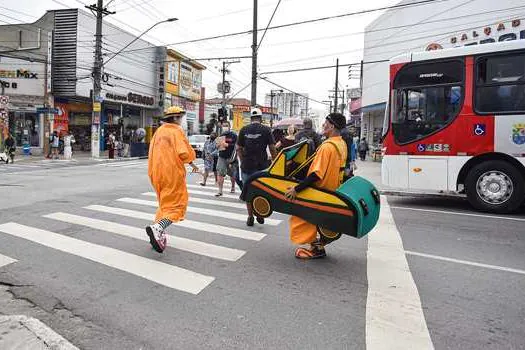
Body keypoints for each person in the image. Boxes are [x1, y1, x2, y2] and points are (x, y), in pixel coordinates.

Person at [284, 113, 348, 259]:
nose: (323, 125)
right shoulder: (341, 143)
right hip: (333, 190)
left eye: (325, 123)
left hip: (320, 190)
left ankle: (316, 248)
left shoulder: (327, 147)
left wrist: (296, 189)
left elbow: (316, 175)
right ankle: (318, 245)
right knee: (316, 221)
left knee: (301, 216)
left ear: (332, 126)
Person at [145, 106, 200, 253]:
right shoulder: (176, 131)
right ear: (175, 118)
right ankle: (158, 227)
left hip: (156, 173)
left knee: (164, 204)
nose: (181, 120)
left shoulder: (159, 131)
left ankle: (157, 234)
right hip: (171, 173)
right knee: (177, 205)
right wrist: (192, 161)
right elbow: (184, 153)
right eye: (180, 118)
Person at [237, 107, 278, 226]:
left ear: (251, 118)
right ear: (260, 118)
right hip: (262, 167)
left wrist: (242, 160)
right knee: (261, 190)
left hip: (246, 166)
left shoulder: (244, 130)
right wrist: (275, 161)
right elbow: (272, 147)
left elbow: (239, 148)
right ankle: (259, 213)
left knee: (248, 191)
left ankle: (250, 216)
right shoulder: (266, 130)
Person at [215, 121, 238, 197]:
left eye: (226, 125)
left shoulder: (233, 135)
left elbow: (236, 145)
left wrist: (227, 144)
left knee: (232, 174)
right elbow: (217, 146)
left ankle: (233, 187)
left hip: (231, 157)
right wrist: (218, 145)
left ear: (229, 126)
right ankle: (220, 190)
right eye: (223, 125)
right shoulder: (221, 135)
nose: (225, 127)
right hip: (222, 156)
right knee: (220, 173)